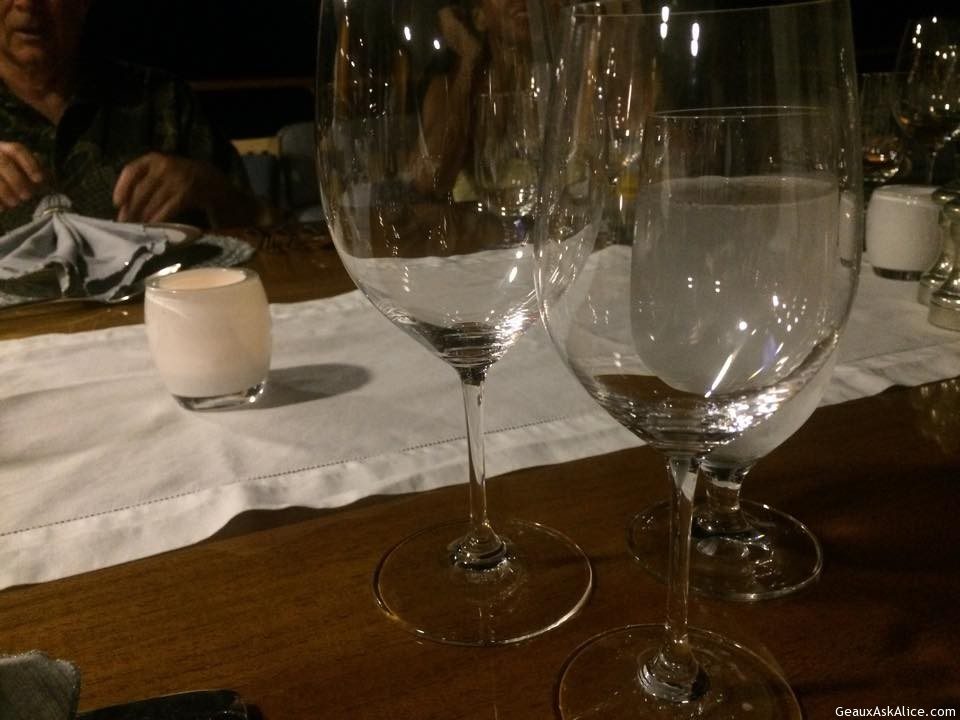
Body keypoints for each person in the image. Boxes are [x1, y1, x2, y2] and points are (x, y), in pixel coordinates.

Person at [0, 0, 264, 233]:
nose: (27, 3)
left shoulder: (161, 98)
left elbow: (263, 223)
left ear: (83, 3)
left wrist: (209, 190)